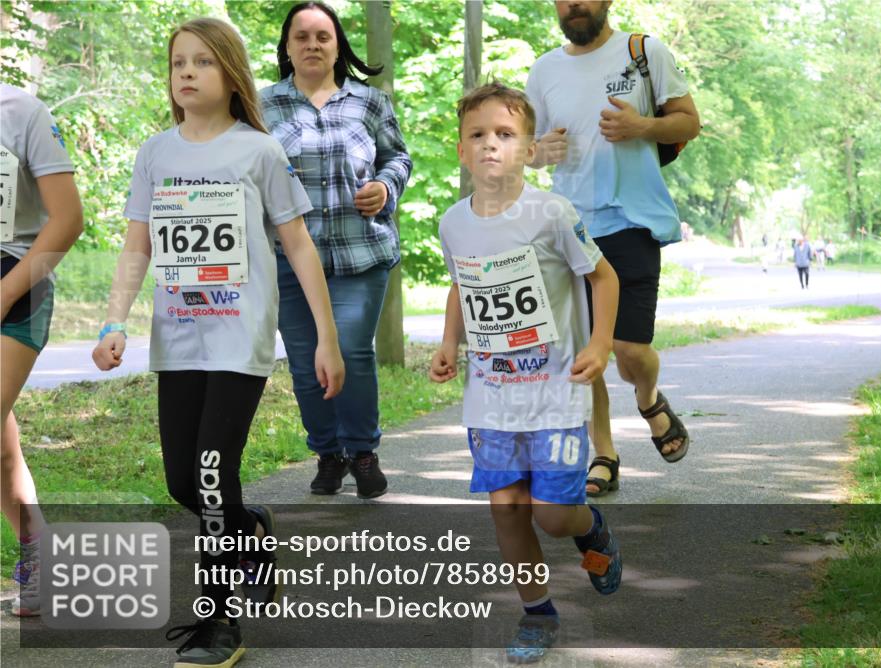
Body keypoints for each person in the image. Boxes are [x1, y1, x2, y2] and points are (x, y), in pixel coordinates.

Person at [91, 18, 344, 667]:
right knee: (185, 480)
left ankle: (218, 620)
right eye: (179, 62)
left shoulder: (258, 152)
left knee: (209, 473)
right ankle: (250, 531)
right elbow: (136, 246)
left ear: (231, 74)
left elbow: (298, 245)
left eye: (203, 62)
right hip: (178, 340)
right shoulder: (155, 153)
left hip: (239, 336)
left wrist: (326, 338)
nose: (187, 73)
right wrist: (114, 322)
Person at [429, 82, 622, 663]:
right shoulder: (452, 223)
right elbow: (462, 285)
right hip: (491, 400)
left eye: (506, 134)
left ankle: (591, 530)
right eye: (478, 135)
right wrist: (447, 342)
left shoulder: (552, 214)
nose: (491, 145)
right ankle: (537, 612)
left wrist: (601, 342)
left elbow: (603, 278)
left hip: (555, 395)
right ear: (462, 150)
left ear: (531, 148)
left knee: (553, 516)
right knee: (508, 509)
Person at [526, 0, 700, 496]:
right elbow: (529, 149)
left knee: (627, 347)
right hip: (569, 227)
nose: (573, 3)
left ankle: (649, 399)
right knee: (584, 349)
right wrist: (540, 153)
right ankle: (603, 452)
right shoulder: (544, 69)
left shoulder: (644, 52)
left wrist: (643, 127)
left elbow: (689, 123)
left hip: (633, 219)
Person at [259, 1, 412, 499]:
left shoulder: (370, 102)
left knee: (350, 353)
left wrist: (387, 188)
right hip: (288, 263)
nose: (312, 45)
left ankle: (363, 451)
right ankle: (329, 453)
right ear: (286, 46)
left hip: (359, 255)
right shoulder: (261, 107)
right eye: (301, 36)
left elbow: (397, 158)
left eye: (322, 36)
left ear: (337, 45)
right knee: (305, 363)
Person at [1, 85, 84, 616]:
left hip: (15, 279)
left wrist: (5, 292)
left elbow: (67, 219)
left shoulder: (22, 111)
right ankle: (39, 547)